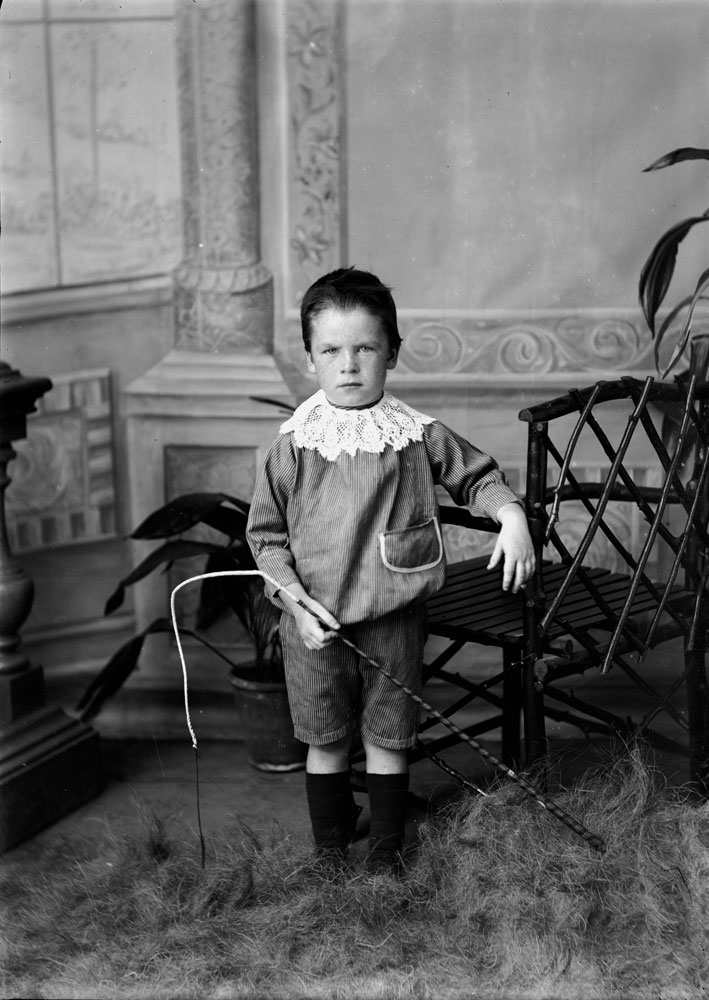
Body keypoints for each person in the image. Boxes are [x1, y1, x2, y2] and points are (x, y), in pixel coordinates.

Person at [246, 267, 535, 875]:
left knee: (387, 736)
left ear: (393, 354)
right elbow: (265, 539)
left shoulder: (415, 435)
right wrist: (295, 603)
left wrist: (511, 516)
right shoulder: (293, 446)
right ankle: (329, 857)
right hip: (315, 625)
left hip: (394, 616)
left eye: (365, 349)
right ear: (309, 359)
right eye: (331, 351)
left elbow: (477, 476)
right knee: (326, 738)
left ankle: (386, 858)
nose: (349, 365)